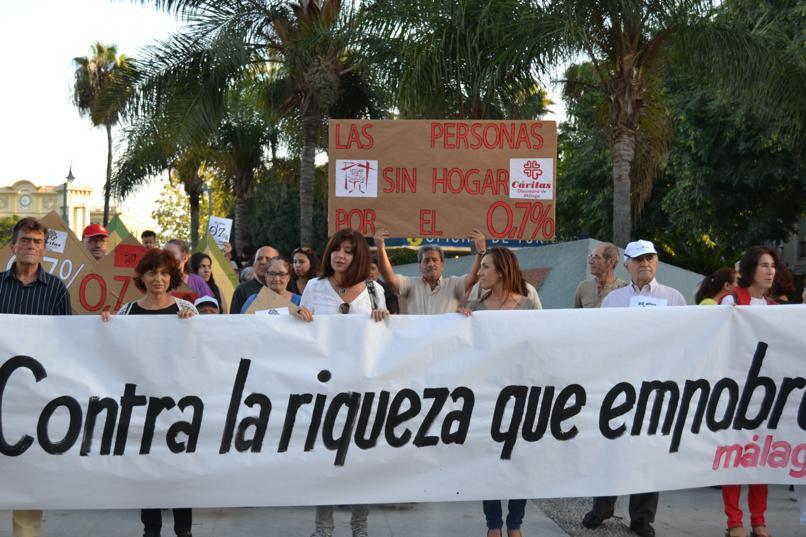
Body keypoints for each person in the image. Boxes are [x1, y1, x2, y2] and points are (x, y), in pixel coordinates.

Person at [583, 239, 686, 537]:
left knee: (647, 453)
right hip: (620, 387)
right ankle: (602, 507)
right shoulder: (614, 301)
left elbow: (685, 341)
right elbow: (602, 342)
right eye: (638, 259)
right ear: (626, 264)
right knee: (611, 447)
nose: (644, 264)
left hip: (657, 388)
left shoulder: (674, 298)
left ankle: (642, 519)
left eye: (650, 258)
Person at [295, 229, 387, 537]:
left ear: (358, 256)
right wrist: (300, 317)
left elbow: (386, 342)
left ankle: (359, 526)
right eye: (336, 249)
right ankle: (324, 528)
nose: (340, 255)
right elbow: (301, 335)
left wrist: (383, 321)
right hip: (324, 389)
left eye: (348, 251)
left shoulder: (374, 291)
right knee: (325, 459)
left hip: (362, 391)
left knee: (360, 460)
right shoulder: (314, 287)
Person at [101, 248, 196, 537]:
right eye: (152, 273)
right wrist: (105, 324)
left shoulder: (185, 311)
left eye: (165, 273)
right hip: (141, 406)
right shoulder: (128, 312)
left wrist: (193, 327)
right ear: (142, 277)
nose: (159, 279)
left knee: (180, 471)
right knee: (147, 469)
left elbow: (199, 354)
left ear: (173, 277)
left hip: (178, 406)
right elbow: (113, 351)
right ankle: (150, 530)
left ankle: (184, 531)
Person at [458, 247, 538, 537]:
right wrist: (460, 323)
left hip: (521, 396)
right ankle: (493, 524)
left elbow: (538, 348)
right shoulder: (476, 309)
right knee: (488, 460)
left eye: (485, 267)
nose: (479, 273)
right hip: (487, 399)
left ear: (502, 270)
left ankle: (515, 524)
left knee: (520, 461)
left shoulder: (529, 306)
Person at [0, 217, 71, 537]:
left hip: (33, 395)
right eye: (25, 240)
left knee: (26, 470)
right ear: (13, 246)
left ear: (44, 249)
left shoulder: (56, 289)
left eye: (36, 242)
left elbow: (65, 340)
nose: (30, 246)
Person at [717, 246, 778, 537]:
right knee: (734, 456)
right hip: (734, 393)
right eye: (765, 265)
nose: (770, 271)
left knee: (760, 457)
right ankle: (734, 521)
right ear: (751, 269)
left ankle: (758, 519)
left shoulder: (776, 309)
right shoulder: (732, 300)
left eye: (773, 266)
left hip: (766, 396)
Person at [374, 228, 487, 314]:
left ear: (442, 265)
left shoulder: (453, 284)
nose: (431, 264)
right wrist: (380, 247)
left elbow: (474, 277)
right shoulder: (411, 285)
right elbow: (389, 279)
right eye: (426, 261)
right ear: (420, 266)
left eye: (435, 260)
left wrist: (481, 251)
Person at [574, 242, 627, 308]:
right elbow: (576, 316)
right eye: (591, 257)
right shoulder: (583, 287)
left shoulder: (624, 289)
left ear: (611, 262)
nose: (590, 262)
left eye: (596, 257)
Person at [230, 245, 279, 314]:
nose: (263, 262)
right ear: (253, 264)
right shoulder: (242, 290)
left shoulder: (287, 288)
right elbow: (234, 321)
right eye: (259, 259)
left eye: (268, 259)